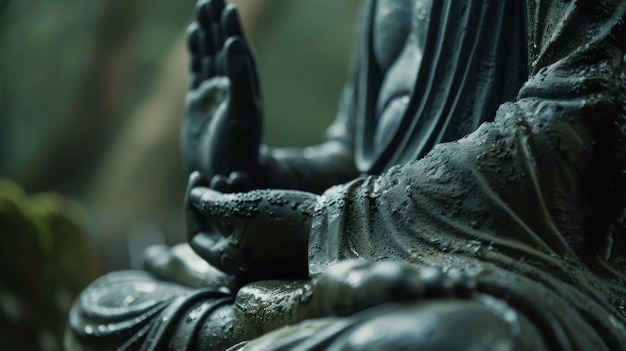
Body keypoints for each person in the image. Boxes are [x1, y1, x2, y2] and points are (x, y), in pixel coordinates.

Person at [67, 0, 626, 350]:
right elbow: (361, 158)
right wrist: (252, 170)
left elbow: (574, 128)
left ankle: (292, 315)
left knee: (434, 341)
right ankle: (296, 311)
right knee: (110, 303)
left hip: (526, 274)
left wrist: (317, 227)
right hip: (372, 264)